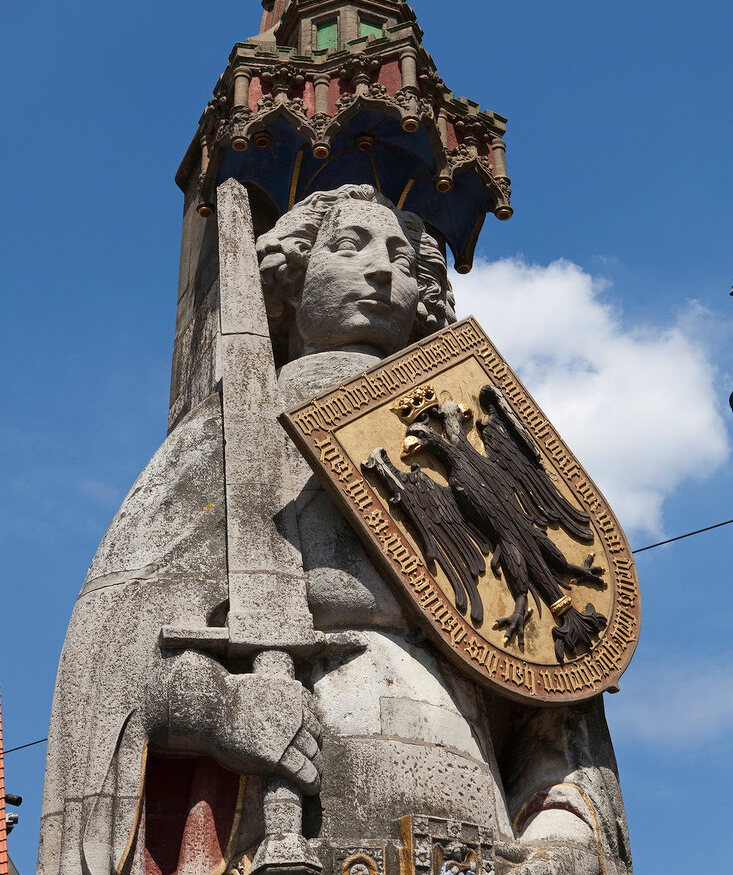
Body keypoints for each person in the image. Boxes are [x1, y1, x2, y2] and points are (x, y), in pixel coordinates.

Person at [38, 184, 631, 875]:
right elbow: (116, 659)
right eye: (349, 247)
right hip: (292, 844)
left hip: (485, 850)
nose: (383, 270)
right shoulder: (232, 443)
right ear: (290, 280)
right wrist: (224, 706)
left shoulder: (473, 436)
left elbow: (551, 697)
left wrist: (564, 836)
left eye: (403, 261)